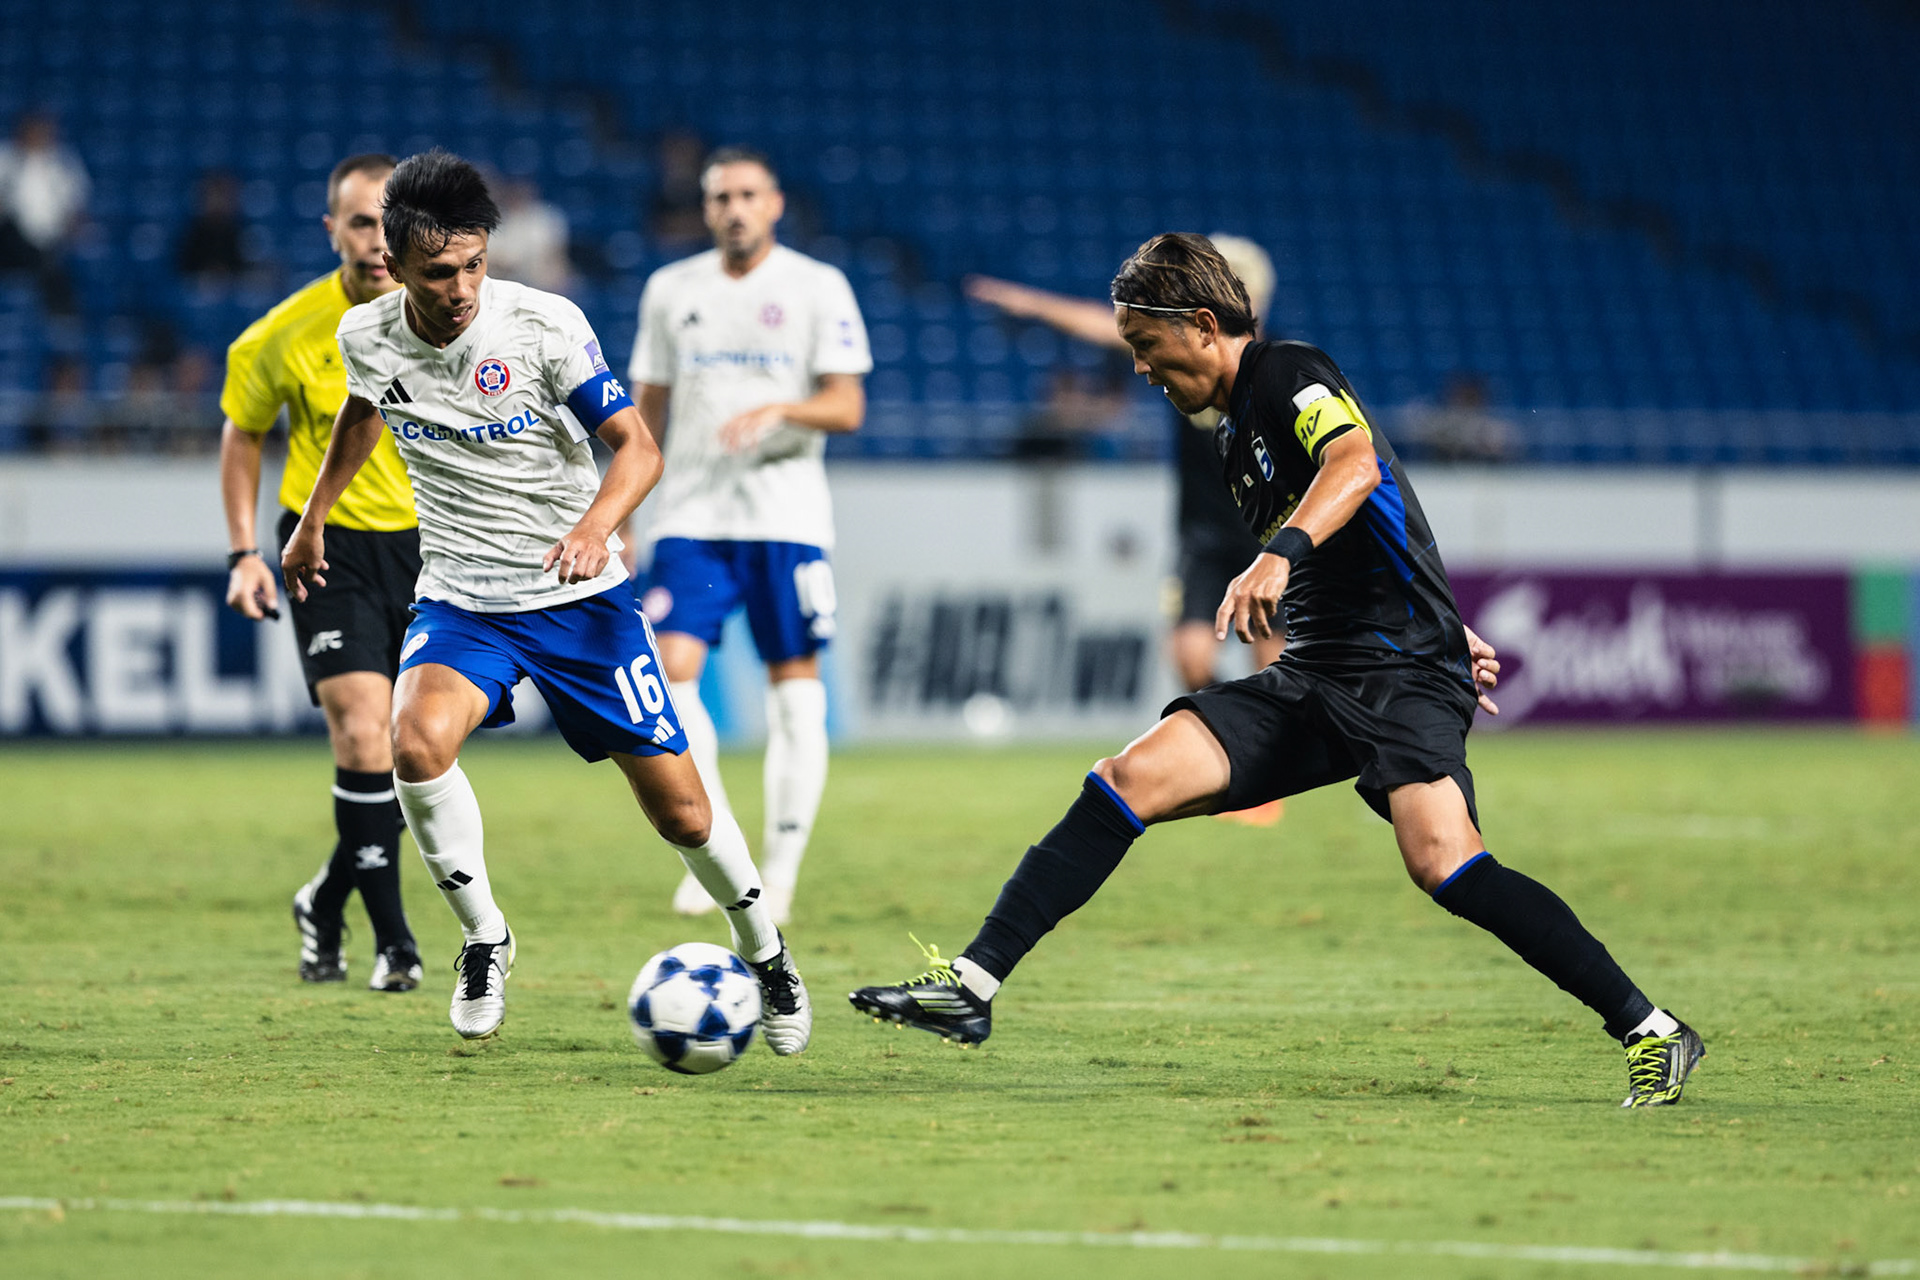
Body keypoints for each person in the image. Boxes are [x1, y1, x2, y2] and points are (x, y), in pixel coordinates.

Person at [852, 234, 1704, 1109]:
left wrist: (1286, 561)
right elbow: (1378, 524)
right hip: (1317, 674)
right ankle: (973, 984)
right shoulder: (1230, 438)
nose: (1139, 369)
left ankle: (1652, 1030)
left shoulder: (1286, 372)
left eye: (1146, 345)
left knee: (1445, 864)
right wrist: (1445, 612)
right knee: (1127, 777)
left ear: (1202, 324)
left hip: (1401, 672)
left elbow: (1357, 463)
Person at [281, 150, 810, 1049]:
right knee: (412, 744)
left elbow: (638, 449)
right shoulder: (367, 335)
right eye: (441, 272)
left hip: (581, 601)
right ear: (397, 265)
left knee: (681, 813)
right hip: (460, 599)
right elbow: (364, 412)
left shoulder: (541, 327)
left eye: (475, 264)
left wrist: (595, 528)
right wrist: (313, 517)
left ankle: (764, 951)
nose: (462, 288)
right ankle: (484, 938)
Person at [628, 146, 871, 926]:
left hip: (786, 521)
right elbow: (647, 408)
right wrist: (625, 515)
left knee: (795, 695)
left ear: (774, 204)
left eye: (747, 194)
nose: (734, 208)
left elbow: (846, 406)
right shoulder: (672, 289)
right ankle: (719, 855)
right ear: (705, 210)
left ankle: (784, 870)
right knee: (670, 679)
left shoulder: (815, 286)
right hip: (692, 517)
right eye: (720, 196)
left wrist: (782, 411)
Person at [969, 234, 1286, 825]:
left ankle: (1266, 774)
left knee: (1273, 664)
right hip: (1200, 538)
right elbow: (1106, 327)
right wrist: (1034, 306)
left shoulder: (1276, 374)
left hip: (1264, 537)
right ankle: (1232, 760)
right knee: (1191, 657)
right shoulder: (1181, 352)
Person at [218, 153, 423, 992]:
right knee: (365, 736)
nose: (377, 241)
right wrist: (241, 554)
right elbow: (242, 434)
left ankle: (323, 899)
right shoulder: (282, 334)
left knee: (412, 757)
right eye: (361, 222)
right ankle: (397, 944)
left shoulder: (448, 315)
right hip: (323, 545)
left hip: (432, 549)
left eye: (389, 222)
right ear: (332, 228)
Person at [0, 112, 88, 314]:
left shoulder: (63, 161)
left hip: (52, 239)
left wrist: (72, 229)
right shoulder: (5, 158)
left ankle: (64, 323)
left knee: (58, 260)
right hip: (9, 237)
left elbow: (76, 207)